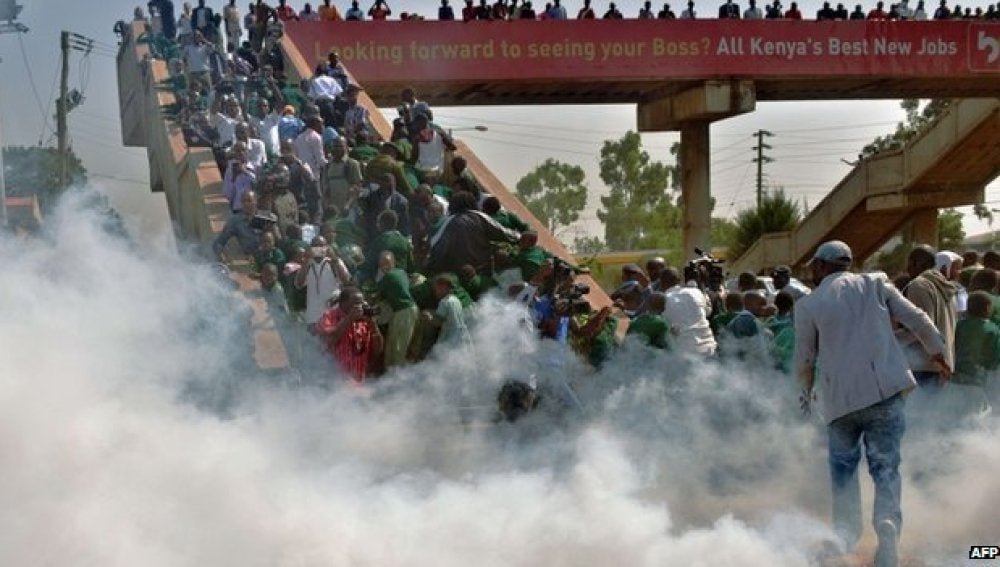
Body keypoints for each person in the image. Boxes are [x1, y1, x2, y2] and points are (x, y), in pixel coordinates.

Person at [794, 240, 950, 567]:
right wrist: (939, 352)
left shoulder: (809, 305)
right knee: (886, 466)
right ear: (847, 263)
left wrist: (804, 394)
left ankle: (846, 535)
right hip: (884, 394)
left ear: (822, 267)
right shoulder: (876, 283)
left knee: (843, 469)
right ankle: (888, 525)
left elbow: (805, 358)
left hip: (840, 403)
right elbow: (918, 319)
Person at [900, 244, 957, 390]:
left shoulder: (919, 285)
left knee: (913, 412)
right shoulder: (946, 285)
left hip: (923, 365)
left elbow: (920, 327)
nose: (907, 268)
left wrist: (889, 340)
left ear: (916, 263)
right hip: (943, 364)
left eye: (909, 263)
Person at [316, 286, 384, 384]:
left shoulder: (364, 321)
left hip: (358, 381)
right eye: (356, 303)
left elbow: (377, 350)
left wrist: (373, 325)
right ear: (343, 303)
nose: (360, 307)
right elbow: (329, 340)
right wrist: (349, 319)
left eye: (361, 303)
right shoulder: (330, 316)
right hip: (334, 380)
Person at [659, 267, 717, 356]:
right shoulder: (696, 292)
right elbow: (708, 312)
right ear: (680, 280)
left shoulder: (663, 300)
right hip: (709, 346)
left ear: (662, 283)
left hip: (685, 352)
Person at [296, 237, 351, 328]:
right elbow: (299, 284)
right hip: (313, 316)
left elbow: (346, 280)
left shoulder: (334, 262)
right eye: (315, 246)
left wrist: (334, 258)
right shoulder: (307, 264)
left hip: (332, 313)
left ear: (326, 247)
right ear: (311, 248)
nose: (318, 248)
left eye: (321, 246)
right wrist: (306, 261)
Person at [376, 251, 418, 368]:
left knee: (397, 348)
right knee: (398, 345)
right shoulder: (402, 272)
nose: (384, 267)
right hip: (410, 310)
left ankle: (394, 379)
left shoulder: (388, 277)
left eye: (387, 263)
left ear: (394, 263)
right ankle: (394, 376)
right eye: (382, 264)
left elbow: (376, 295)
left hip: (403, 312)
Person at [321, 136, 363, 212]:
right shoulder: (327, 166)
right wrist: (326, 206)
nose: (337, 149)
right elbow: (325, 189)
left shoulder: (352, 164)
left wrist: (348, 205)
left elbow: (357, 187)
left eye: (340, 146)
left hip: (349, 209)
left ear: (346, 147)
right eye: (335, 146)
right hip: (333, 210)